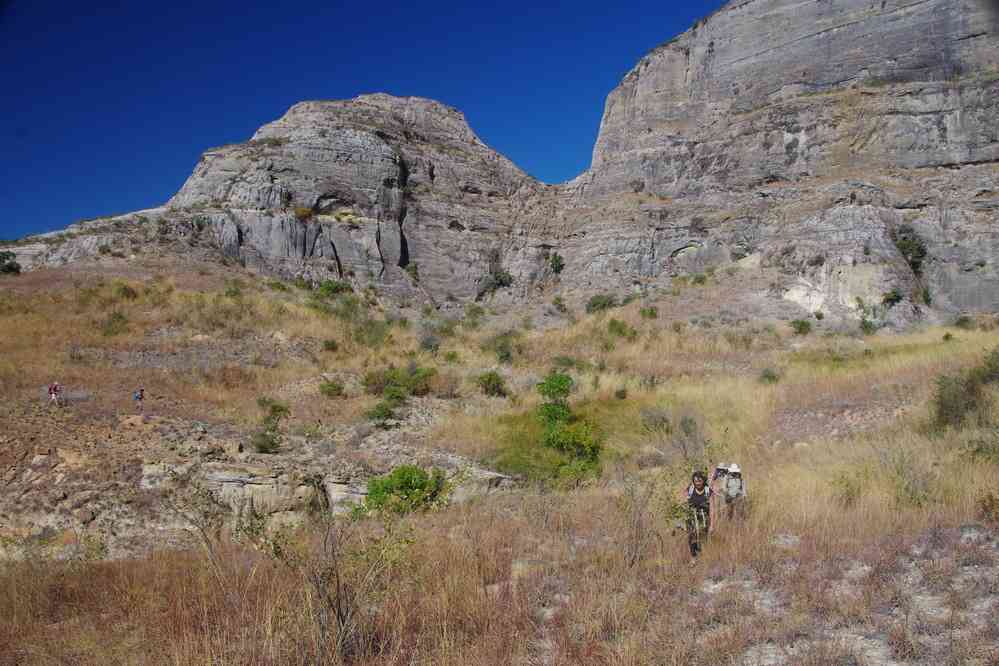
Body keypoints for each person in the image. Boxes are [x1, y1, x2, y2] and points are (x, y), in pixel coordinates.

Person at [684, 470, 712, 561]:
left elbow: (713, 508)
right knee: (691, 535)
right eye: (695, 481)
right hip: (691, 516)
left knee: (703, 536)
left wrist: (712, 524)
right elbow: (684, 502)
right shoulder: (690, 489)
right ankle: (693, 557)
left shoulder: (708, 490)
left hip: (704, 517)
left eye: (700, 481)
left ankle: (702, 555)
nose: (698, 483)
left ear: (703, 480)